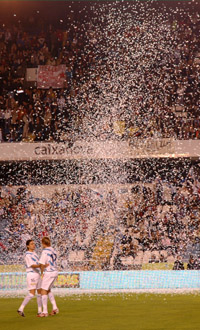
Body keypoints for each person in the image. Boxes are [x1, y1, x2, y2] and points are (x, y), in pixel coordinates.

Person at [17, 240, 43, 317]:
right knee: (32, 293)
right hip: (31, 274)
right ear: (28, 246)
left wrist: (41, 271)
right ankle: (21, 308)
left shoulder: (34, 253)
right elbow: (32, 265)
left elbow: (38, 264)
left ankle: (39, 311)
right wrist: (42, 265)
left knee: (40, 293)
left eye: (34, 244)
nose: (33, 245)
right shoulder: (27, 255)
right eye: (31, 244)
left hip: (37, 274)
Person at [38, 236, 59, 317]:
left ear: (43, 243)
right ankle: (55, 307)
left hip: (49, 272)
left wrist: (42, 273)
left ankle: (45, 312)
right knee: (48, 290)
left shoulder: (45, 251)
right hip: (55, 271)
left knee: (43, 290)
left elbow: (42, 264)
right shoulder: (53, 250)